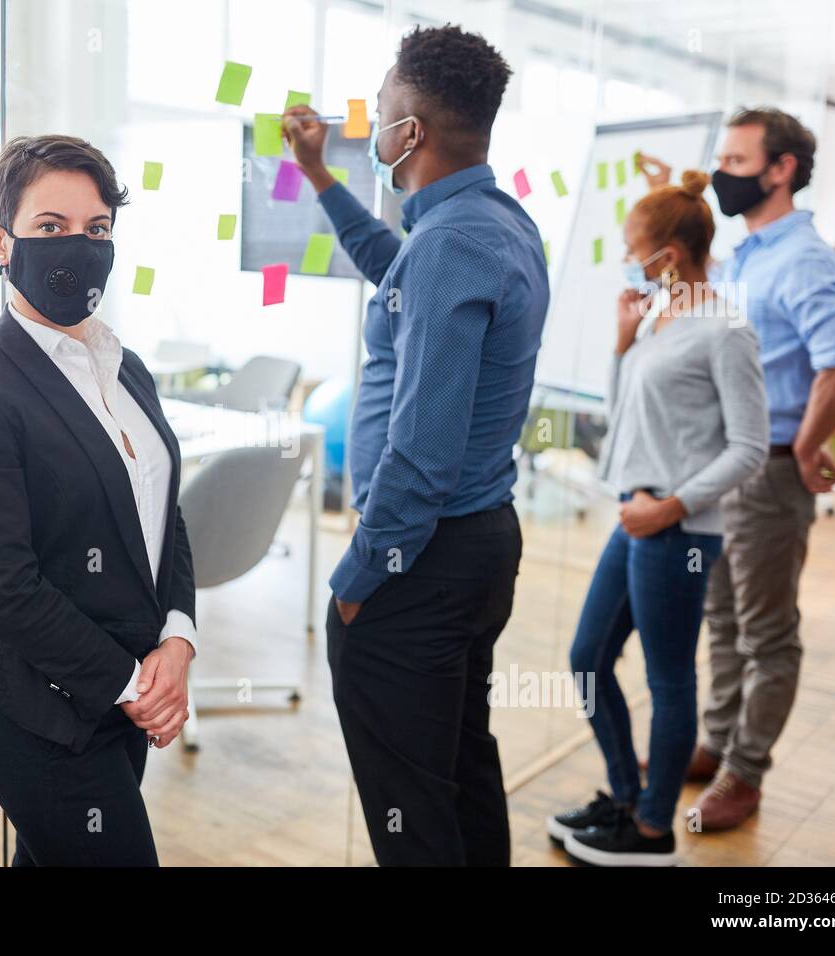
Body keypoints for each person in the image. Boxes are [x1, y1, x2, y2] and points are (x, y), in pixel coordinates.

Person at [282, 25, 549, 866]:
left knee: (410, 809)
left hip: (420, 560)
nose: (374, 125)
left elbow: (421, 456)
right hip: (478, 544)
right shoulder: (492, 224)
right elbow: (393, 264)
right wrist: (321, 175)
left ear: (413, 132)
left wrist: (360, 579)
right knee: (460, 765)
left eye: (384, 107)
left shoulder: (452, 245)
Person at [0, 135, 197, 866]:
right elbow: (8, 589)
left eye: (97, 229)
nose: (79, 246)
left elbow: (166, 515)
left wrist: (177, 638)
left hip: (126, 701)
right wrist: (138, 683)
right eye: (50, 227)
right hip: (40, 718)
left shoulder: (127, 369)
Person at [547, 172, 768, 867]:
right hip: (637, 514)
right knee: (587, 659)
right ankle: (624, 796)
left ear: (668, 255)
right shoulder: (659, 316)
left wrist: (673, 505)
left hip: (679, 528)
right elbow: (629, 425)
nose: (625, 259)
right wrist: (622, 343)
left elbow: (751, 447)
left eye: (632, 248)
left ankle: (650, 833)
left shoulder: (726, 329)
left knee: (669, 679)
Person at [676, 109, 835, 830]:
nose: (722, 172)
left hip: (767, 472)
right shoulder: (750, 252)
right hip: (727, 466)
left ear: (781, 168)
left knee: (766, 632)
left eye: (736, 159)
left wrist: (815, 443)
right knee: (721, 620)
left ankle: (745, 772)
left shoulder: (802, 256)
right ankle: (717, 743)